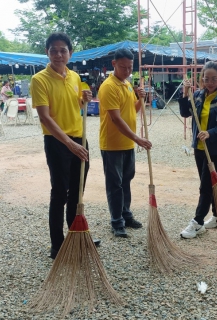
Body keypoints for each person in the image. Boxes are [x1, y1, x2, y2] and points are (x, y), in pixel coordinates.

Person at [30, 32, 94, 259]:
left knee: (78, 191)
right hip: (58, 141)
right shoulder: (39, 80)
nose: (58, 54)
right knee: (60, 193)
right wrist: (68, 144)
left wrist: (84, 99)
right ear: (47, 53)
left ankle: (75, 233)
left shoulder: (75, 77)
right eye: (53, 50)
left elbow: (75, 104)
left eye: (63, 50)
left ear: (70, 53)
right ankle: (57, 244)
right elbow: (45, 117)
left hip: (79, 138)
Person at [177, 61, 217, 239]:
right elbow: (185, 113)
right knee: (210, 184)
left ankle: (198, 222)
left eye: (214, 78)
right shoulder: (197, 95)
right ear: (202, 79)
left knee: (205, 185)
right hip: (200, 148)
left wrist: (210, 133)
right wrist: (185, 94)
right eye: (206, 78)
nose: (210, 82)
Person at [98, 48, 152, 238]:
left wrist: (142, 100)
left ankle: (126, 214)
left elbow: (132, 110)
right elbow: (116, 119)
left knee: (126, 181)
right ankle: (116, 222)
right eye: (123, 67)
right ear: (114, 64)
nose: (127, 71)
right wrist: (137, 138)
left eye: (130, 67)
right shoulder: (108, 86)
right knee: (115, 184)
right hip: (112, 144)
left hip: (127, 143)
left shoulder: (127, 85)